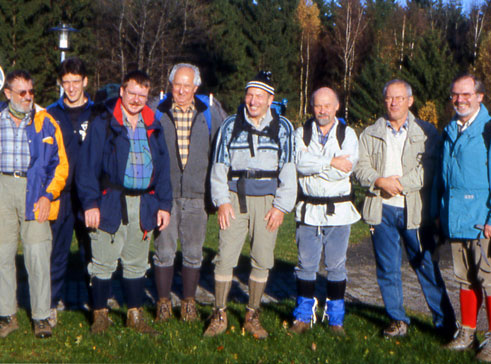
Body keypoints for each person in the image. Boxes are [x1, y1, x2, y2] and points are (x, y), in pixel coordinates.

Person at [353, 79, 455, 339]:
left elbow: (429, 170)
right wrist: (379, 181)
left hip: (415, 211)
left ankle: (445, 324)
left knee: (426, 267)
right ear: (384, 100)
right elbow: (360, 167)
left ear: (410, 101)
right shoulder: (370, 133)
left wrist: (398, 184)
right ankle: (397, 320)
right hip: (381, 210)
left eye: (399, 98)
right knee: (387, 269)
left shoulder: (427, 132)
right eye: (389, 98)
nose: (394, 102)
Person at [0, 70, 68, 339]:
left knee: (37, 255)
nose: (28, 97)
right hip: (0, 190)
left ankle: (41, 317)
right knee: (2, 256)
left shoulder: (47, 122)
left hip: (35, 192)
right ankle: (7, 317)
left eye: (31, 91)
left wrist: (48, 195)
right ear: (8, 94)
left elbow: (60, 164)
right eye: (22, 92)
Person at [76, 70, 172, 335]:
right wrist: (90, 204)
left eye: (142, 95)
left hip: (144, 204)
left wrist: (165, 205)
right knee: (103, 261)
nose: (136, 99)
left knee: (137, 262)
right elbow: (87, 169)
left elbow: (163, 169)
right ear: (122, 91)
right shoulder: (103, 122)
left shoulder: (153, 124)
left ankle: (134, 315)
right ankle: (100, 316)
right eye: (132, 93)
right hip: (109, 201)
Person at [204, 71, 296, 339]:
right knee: (225, 257)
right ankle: (219, 313)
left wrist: (281, 207)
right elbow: (218, 167)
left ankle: (252, 314)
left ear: (270, 99)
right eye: (249, 95)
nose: (253, 101)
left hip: (268, 202)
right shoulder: (230, 125)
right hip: (234, 199)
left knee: (262, 258)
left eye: (259, 96)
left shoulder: (283, 127)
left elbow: (289, 170)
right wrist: (221, 202)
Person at [436, 74, 491, 362]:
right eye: (455, 95)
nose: (460, 100)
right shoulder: (450, 130)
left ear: (480, 96)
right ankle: (467, 333)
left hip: (485, 223)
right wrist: (439, 213)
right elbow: (443, 179)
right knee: (464, 279)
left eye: (466, 94)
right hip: (457, 220)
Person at [149, 63, 226, 322]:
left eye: (186, 85)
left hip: (197, 195)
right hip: (164, 195)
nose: (181, 90)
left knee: (194, 252)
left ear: (196, 87)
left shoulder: (210, 113)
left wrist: (216, 193)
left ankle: (188, 303)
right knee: (164, 250)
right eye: (176, 84)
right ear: (170, 85)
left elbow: (221, 152)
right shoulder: (156, 110)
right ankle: (162, 304)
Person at [289, 87, 360, 336]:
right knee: (305, 265)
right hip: (308, 209)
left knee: (336, 266)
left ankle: (336, 319)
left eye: (327, 105)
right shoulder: (302, 133)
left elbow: (345, 170)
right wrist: (330, 161)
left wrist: (317, 166)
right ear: (312, 106)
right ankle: (303, 316)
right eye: (318, 105)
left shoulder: (348, 134)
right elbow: (299, 163)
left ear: (337, 106)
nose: (323, 110)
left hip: (338, 210)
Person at [45, 57, 95, 327]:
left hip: (90, 197)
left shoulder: (98, 113)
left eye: (76, 82)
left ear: (85, 81)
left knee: (92, 253)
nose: (72, 87)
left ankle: (97, 306)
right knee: (57, 252)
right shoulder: (51, 113)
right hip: (61, 195)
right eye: (66, 82)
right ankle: (51, 305)